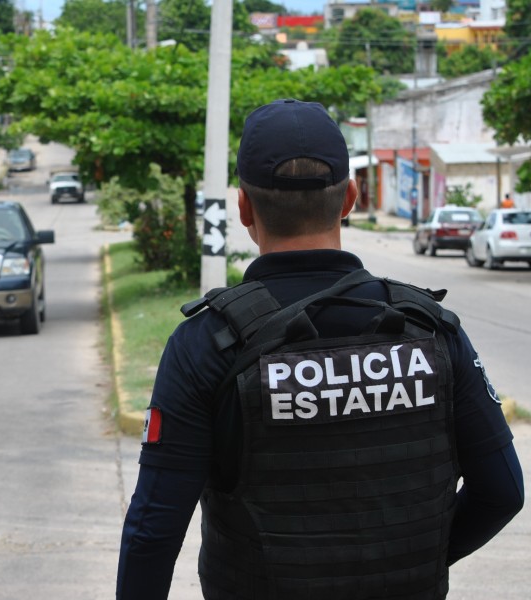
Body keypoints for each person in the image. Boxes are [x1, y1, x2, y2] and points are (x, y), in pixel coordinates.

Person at [116, 99, 524, 600]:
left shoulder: (206, 344)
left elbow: (153, 531)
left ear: (243, 206)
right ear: (351, 197)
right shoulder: (433, 331)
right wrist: (416, 559)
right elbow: (502, 492)